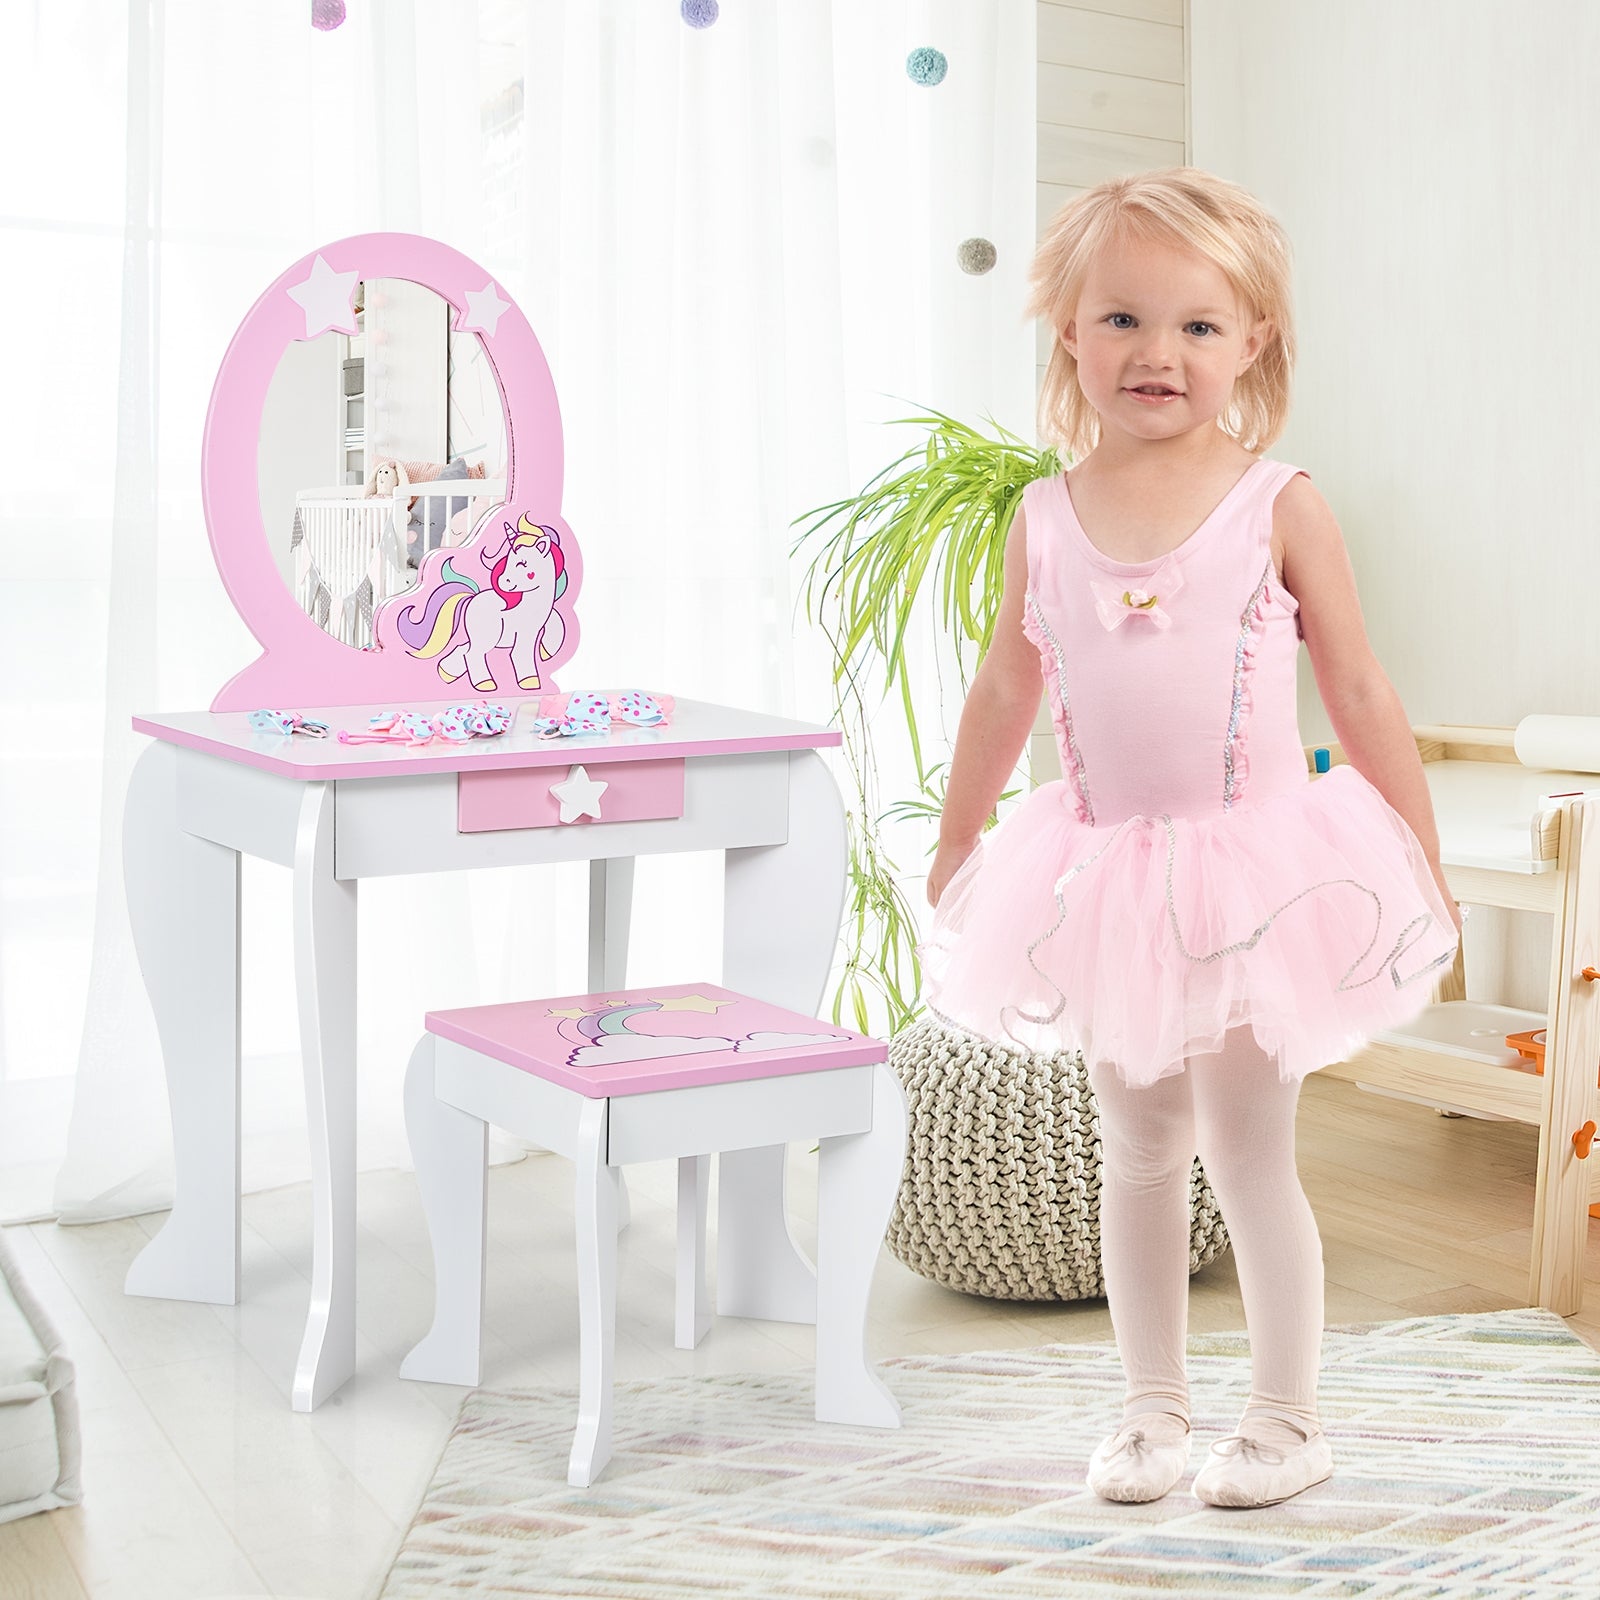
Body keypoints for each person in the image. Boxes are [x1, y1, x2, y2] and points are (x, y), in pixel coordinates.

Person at [919, 167, 1462, 1510]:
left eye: (1198, 327)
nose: (1157, 354)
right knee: (1140, 1150)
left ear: (1254, 343)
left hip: (1255, 879)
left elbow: (1362, 686)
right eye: (1121, 321)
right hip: (1105, 874)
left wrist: (1417, 849)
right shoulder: (1042, 516)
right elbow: (1005, 687)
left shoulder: (1281, 502)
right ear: (1068, 333)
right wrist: (961, 833)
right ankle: (1149, 1413)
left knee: (1250, 1151)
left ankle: (1286, 1420)